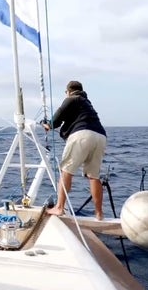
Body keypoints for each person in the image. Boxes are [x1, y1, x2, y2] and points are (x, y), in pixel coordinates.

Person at [42, 80, 107, 220]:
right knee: (94, 176)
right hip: (100, 136)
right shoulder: (87, 103)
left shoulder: (72, 98)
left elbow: (56, 119)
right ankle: (99, 214)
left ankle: (59, 207)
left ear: (69, 91)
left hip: (82, 135)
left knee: (66, 171)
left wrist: (48, 125)